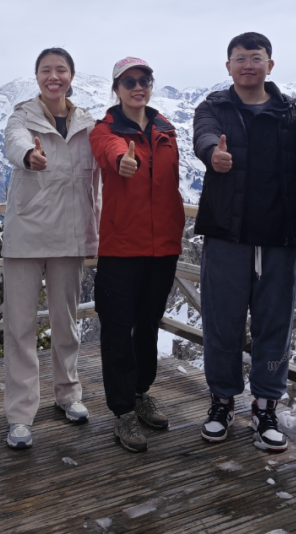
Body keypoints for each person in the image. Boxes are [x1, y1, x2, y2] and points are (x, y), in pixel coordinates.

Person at [192, 32, 296, 451]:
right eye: (240, 58)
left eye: (256, 58)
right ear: (228, 66)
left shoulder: (291, 112)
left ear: (270, 65)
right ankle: (221, 401)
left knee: (275, 325)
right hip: (227, 233)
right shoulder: (214, 107)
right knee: (222, 322)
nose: (248, 65)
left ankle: (265, 405)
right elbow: (203, 136)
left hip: (278, 237)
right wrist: (212, 154)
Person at [1, 48, 100, 450]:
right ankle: (20, 413)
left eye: (61, 69)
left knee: (66, 321)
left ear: (72, 76)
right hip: (26, 233)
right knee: (19, 326)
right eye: (46, 70)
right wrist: (28, 155)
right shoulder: (22, 116)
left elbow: (100, 177)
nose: (53, 76)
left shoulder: (88, 124)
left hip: (70, 234)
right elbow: (14, 143)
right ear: (37, 76)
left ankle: (68, 393)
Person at [89, 57, 185, 453]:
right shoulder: (105, 130)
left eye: (144, 79)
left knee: (147, 325)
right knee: (117, 329)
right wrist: (121, 161)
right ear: (116, 89)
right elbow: (109, 151)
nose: (137, 86)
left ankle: (142, 391)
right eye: (128, 81)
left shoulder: (166, 129)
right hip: (121, 247)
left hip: (163, 246)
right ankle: (123, 409)